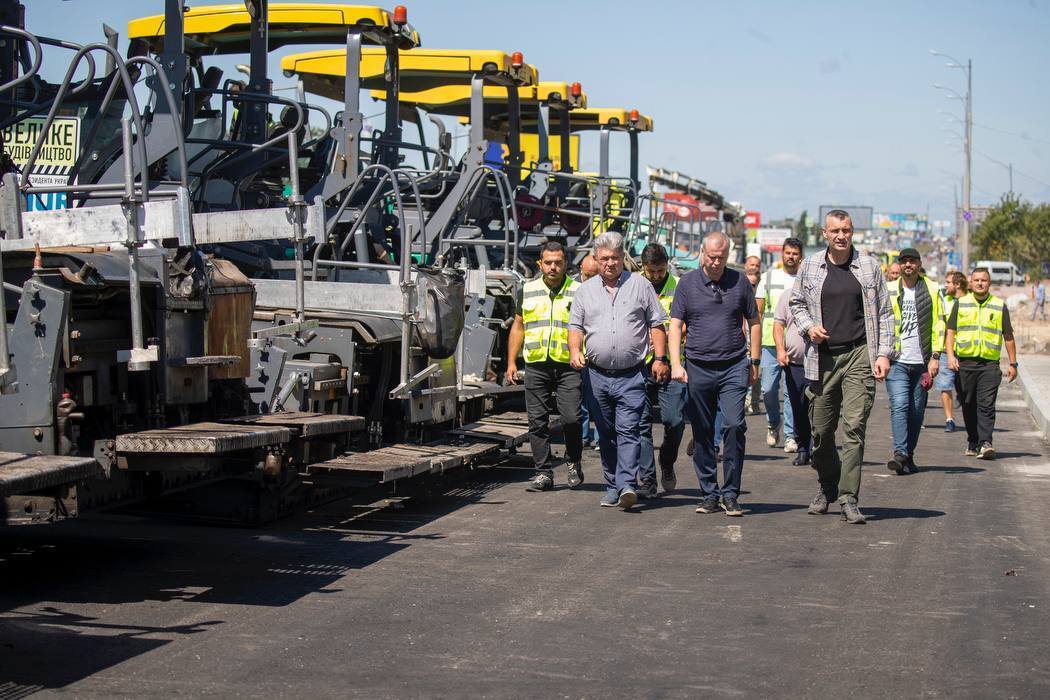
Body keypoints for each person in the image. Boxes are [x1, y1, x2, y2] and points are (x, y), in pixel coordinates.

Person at [789, 209, 893, 525]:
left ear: (852, 232)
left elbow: (886, 313)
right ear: (825, 233)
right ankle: (827, 485)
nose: (841, 236)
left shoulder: (869, 267)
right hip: (822, 358)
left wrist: (884, 353)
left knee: (853, 429)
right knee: (820, 433)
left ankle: (849, 498)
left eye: (846, 230)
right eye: (835, 231)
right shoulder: (810, 266)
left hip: (860, 353)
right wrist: (808, 328)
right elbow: (796, 304)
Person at [569, 232, 669, 509]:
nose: (610, 263)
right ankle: (612, 484)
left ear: (622, 257)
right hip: (596, 375)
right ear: (596, 260)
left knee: (629, 430)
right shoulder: (585, 292)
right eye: (604, 259)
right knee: (606, 431)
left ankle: (626, 484)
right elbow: (575, 327)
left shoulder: (640, 285)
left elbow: (657, 324)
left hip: (632, 374)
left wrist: (660, 358)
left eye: (614, 258)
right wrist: (575, 351)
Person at [669, 231, 760, 517]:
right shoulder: (687, 283)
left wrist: (754, 361)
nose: (716, 262)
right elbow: (674, 325)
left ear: (727, 255)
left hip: (734, 365)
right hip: (698, 366)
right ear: (702, 254)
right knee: (703, 432)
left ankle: (731, 494)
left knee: (734, 425)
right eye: (711, 257)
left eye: (721, 257)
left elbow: (754, 321)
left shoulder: (740, 282)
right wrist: (675, 362)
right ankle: (709, 493)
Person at [505, 241, 583, 492]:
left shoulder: (579, 291)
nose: (553, 267)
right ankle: (543, 473)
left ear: (565, 264)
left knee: (572, 418)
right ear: (540, 263)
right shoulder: (527, 289)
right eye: (548, 262)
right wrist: (511, 362)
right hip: (536, 364)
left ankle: (573, 460)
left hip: (568, 365)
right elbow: (518, 326)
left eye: (558, 262)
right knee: (537, 422)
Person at [946, 268, 1019, 459]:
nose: (980, 283)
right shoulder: (961, 304)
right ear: (970, 283)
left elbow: (1008, 336)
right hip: (965, 364)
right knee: (968, 404)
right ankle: (973, 440)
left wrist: (1013, 363)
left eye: (984, 280)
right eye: (976, 280)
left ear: (989, 283)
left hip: (989, 365)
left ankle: (986, 442)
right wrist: (950, 355)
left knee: (986, 404)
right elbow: (951, 331)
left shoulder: (998, 306)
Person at [884, 248, 944, 475]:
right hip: (897, 360)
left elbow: (939, 324)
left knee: (917, 411)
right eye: (904, 261)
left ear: (919, 264)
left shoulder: (932, 288)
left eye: (912, 261)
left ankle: (908, 455)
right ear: (899, 266)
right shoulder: (889, 289)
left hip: (923, 363)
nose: (908, 265)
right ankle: (899, 453)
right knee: (900, 405)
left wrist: (936, 357)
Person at [637, 244, 689, 496]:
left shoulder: (680, 286)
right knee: (640, 424)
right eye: (651, 271)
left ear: (667, 264)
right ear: (642, 266)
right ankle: (647, 479)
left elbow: (691, 318)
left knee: (675, 421)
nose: (656, 275)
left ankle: (666, 462)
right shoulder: (634, 285)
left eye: (660, 270)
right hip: (639, 365)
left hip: (672, 363)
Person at [755, 238, 803, 452]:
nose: (790, 257)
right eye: (788, 253)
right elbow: (757, 311)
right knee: (768, 389)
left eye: (794, 253)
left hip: (795, 343)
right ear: (781, 254)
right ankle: (774, 422)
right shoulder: (768, 277)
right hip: (769, 343)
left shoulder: (804, 279)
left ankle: (791, 435)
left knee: (790, 391)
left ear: (800, 256)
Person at [773, 285, 812, 466]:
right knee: (799, 408)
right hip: (794, 364)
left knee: (820, 409)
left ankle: (818, 450)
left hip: (820, 364)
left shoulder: (821, 293)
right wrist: (780, 350)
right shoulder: (787, 295)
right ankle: (803, 448)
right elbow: (779, 325)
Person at [576, 254, 602, 448]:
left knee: (600, 400)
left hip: (599, 353)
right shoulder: (574, 290)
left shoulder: (608, 290)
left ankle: (602, 438)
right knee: (581, 398)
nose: (591, 281)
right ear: (580, 272)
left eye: (595, 276)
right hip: (579, 353)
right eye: (587, 276)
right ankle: (583, 437)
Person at [937, 271, 967, 432]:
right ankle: (949, 419)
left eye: (948, 282)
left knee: (965, 389)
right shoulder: (944, 301)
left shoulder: (969, 302)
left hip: (965, 352)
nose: (945, 285)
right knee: (944, 385)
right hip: (944, 351)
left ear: (957, 285)